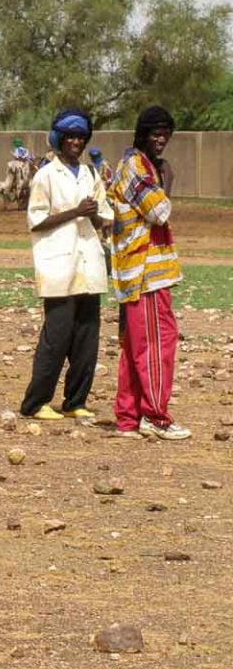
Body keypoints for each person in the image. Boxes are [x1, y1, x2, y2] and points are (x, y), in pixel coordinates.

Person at [19, 109, 113, 421]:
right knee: (56, 338)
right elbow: (36, 220)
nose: (75, 142)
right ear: (59, 139)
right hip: (58, 264)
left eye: (80, 137)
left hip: (88, 262)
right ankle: (35, 403)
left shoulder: (91, 174)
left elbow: (103, 219)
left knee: (87, 338)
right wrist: (75, 211)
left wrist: (92, 213)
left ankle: (75, 401)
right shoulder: (46, 175)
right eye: (70, 137)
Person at [110, 106, 190, 440]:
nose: (161, 140)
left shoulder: (139, 165)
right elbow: (159, 211)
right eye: (156, 134)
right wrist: (168, 178)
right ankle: (156, 417)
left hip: (137, 272)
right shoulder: (137, 167)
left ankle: (128, 418)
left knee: (136, 347)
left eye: (165, 134)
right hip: (146, 273)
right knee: (158, 344)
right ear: (142, 134)